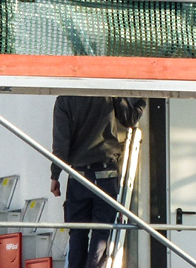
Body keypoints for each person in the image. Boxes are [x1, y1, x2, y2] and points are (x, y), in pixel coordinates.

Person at [51, 95, 146, 268]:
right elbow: (129, 119)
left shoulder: (65, 99)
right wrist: (143, 100)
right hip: (106, 175)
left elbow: (60, 144)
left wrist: (55, 175)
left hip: (78, 177)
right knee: (101, 232)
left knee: (78, 232)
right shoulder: (107, 93)